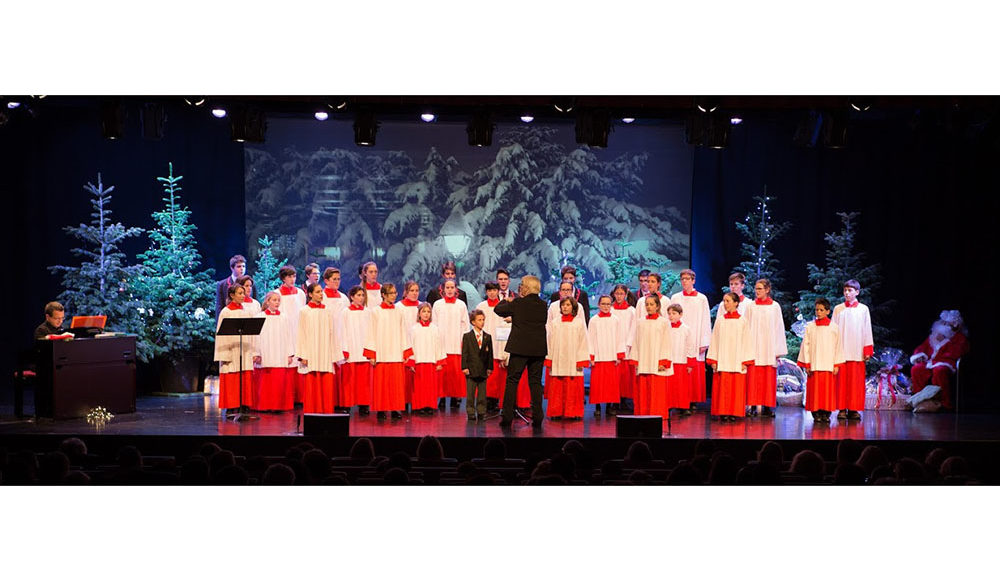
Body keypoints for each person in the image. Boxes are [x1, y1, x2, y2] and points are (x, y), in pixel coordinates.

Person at [494, 275, 548, 428]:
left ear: (526, 287)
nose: (520, 287)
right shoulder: (543, 305)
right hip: (537, 349)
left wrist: (508, 300)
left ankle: (507, 417)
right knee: (535, 382)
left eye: (522, 285)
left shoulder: (518, 303)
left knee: (512, 381)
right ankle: (538, 417)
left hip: (520, 348)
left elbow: (498, 310)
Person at [364, 283, 412, 421]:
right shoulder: (376, 311)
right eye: (391, 293)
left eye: (395, 293)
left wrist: (405, 352)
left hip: (396, 351)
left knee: (396, 384)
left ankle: (396, 408)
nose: (394, 295)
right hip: (381, 352)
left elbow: (403, 331)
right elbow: (371, 332)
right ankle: (381, 409)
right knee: (382, 384)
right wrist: (372, 354)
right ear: (383, 295)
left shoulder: (399, 311)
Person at [909, 310, 970, 412]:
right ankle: (919, 400)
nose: (946, 325)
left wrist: (944, 343)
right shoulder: (934, 336)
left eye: (949, 324)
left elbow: (957, 352)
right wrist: (920, 356)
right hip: (929, 362)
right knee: (917, 369)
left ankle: (943, 403)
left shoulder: (960, 338)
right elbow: (922, 348)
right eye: (944, 323)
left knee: (939, 370)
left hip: (946, 363)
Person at [743, 278, 787, 417]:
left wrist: (778, 349)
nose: (757, 291)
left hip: (769, 346)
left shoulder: (774, 306)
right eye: (756, 288)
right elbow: (745, 327)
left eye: (760, 288)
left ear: (767, 290)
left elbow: (779, 327)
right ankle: (752, 405)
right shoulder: (751, 306)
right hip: (754, 345)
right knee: (753, 377)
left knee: (768, 377)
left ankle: (767, 406)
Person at [797, 298, 845, 423]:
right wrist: (807, 364)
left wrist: (836, 364)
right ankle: (816, 413)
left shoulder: (834, 328)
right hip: (815, 364)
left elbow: (838, 346)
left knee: (827, 391)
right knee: (815, 391)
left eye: (821, 310)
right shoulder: (810, 327)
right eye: (817, 310)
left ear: (828, 311)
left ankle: (826, 413)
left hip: (829, 365)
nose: (818, 312)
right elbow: (806, 346)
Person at [831, 279, 874, 420]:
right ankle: (842, 409)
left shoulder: (863, 309)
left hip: (857, 352)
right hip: (841, 351)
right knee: (841, 382)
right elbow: (833, 331)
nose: (847, 293)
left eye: (850, 290)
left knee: (855, 383)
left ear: (857, 292)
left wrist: (867, 350)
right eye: (845, 290)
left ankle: (853, 409)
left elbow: (867, 330)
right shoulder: (838, 309)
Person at [669, 269, 712, 408]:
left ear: (693, 281)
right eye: (682, 279)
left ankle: (692, 400)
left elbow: (706, 320)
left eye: (687, 279)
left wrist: (704, 341)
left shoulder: (701, 298)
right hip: (678, 338)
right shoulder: (675, 297)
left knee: (692, 368)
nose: (685, 281)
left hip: (696, 338)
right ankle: (677, 400)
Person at [706, 292, 752, 422]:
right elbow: (715, 340)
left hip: (737, 359)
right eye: (724, 301)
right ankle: (723, 411)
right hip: (723, 358)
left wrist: (745, 360)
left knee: (736, 387)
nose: (725, 304)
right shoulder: (720, 320)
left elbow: (747, 341)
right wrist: (713, 359)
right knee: (723, 386)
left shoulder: (742, 321)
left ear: (736, 303)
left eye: (728, 301)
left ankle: (734, 412)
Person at [296, 283, 341, 414]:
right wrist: (303, 355)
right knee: (312, 382)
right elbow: (301, 333)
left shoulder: (327, 311)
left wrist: (334, 354)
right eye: (317, 292)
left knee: (326, 382)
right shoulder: (304, 311)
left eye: (321, 291)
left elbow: (332, 332)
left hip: (325, 351)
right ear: (310, 294)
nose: (321, 294)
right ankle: (312, 413)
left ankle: (326, 412)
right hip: (311, 351)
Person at [215, 284, 257, 414]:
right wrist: (224, 355)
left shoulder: (247, 312)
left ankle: (244, 405)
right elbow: (221, 335)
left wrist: (254, 352)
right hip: (231, 350)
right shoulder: (226, 312)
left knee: (244, 377)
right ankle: (232, 406)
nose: (243, 296)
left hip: (244, 349)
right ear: (232, 295)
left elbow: (252, 334)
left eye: (243, 293)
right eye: (240, 293)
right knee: (232, 377)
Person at [545, 297, 590, 420]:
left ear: (573, 307)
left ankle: (573, 412)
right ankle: (556, 412)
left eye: (568, 305)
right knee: (557, 387)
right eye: (563, 305)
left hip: (573, 359)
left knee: (572, 386)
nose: (565, 307)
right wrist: (549, 358)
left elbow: (583, 341)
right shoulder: (555, 322)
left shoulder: (578, 323)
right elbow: (550, 341)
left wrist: (581, 359)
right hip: (558, 359)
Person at [254, 291, 295, 412]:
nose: (277, 303)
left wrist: (289, 354)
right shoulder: (259, 317)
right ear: (267, 302)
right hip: (266, 353)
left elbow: (288, 336)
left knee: (279, 380)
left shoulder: (284, 317)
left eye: (278, 300)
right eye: (274, 300)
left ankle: (278, 406)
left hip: (280, 353)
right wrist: (257, 353)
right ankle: (265, 405)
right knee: (266, 381)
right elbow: (255, 337)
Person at [632, 295, 673, 418]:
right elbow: (636, 341)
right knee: (643, 390)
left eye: (651, 304)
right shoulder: (640, 322)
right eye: (647, 304)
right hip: (644, 360)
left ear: (657, 306)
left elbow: (667, 342)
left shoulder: (664, 322)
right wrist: (636, 360)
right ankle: (643, 414)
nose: (649, 307)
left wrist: (663, 361)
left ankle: (657, 415)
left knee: (657, 390)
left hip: (657, 362)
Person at [432, 279, 470, 410]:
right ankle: (442, 398)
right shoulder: (437, 305)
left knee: (455, 374)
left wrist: (464, 342)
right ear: (443, 290)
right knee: (442, 374)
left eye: (452, 287)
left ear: (456, 289)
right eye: (447, 287)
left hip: (456, 343)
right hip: (442, 343)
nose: (449, 290)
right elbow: (434, 324)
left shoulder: (461, 305)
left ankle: (455, 398)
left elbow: (465, 324)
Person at [588, 295, 625, 417]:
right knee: (598, 384)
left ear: (611, 305)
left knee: (610, 384)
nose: (605, 306)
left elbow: (620, 337)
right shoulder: (594, 320)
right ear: (599, 305)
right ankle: (598, 407)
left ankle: (609, 406)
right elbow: (590, 339)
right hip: (598, 356)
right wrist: (591, 356)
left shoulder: (615, 320)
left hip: (611, 356)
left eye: (608, 304)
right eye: (603, 304)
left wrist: (619, 355)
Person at [277, 265, 307, 404]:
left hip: (298, 330)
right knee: (288, 364)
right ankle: (287, 398)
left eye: (294, 276)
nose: (292, 279)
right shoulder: (277, 294)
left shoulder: (300, 293)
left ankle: (300, 397)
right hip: (285, 331)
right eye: (289, 276)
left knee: (299, 362)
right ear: (283, 278)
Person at [407, 302, 445, 415]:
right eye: (423, 311)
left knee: (430, 385)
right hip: (418, 361)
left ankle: (430, 405)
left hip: (431, 361)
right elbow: (411, 345)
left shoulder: (435, 329)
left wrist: (439, 362)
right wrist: (411, 362)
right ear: (419, 314)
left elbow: (439, 346)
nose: (426, 314)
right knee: (419, 386)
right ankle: (418, 406)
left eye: (428, 311)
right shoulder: (414, 329)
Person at [341, 286, 373, 416]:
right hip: (352, 348)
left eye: (363, 295)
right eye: (358, 295)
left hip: (364, 350)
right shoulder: (346, 312)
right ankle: (348, 404)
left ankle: (364, 405)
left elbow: (371, 331)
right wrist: (345, 349)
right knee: (350, 380)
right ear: (352, 297)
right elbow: (342, 330)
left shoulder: (367, 312)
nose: (361, 298)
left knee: (364, 381)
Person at [461, 309, 494, 422]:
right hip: (471, 369)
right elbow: (465, 353)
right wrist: (464, 367)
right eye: (479, 320)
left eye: (483, 319)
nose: (482, 322)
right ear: (473, 322)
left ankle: (481, 411)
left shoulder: (487, 337)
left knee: (482, 394)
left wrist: (490, 367)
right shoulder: (467, 336)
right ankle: (470, 412)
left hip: (483, 369)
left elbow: (490, 354)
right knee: (470, 393)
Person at [665, 303, 697, 416]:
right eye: (669, 314)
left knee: (682, 386)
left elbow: (690, 346)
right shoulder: (666, 328)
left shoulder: (686, 329)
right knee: (669, 386)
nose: (671, 316)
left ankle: (683, 406)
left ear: (680, 314)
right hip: (670, 361)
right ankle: (668, 405)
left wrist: (690, 363)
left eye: (674, 313)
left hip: (682, 361)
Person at [610, 283, 638, 411]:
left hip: (627, 346)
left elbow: (634, 328)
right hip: (613, 346)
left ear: (626, 295)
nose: (619, 296)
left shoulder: (631, 311)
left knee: (626, 377)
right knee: (615, 376)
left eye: (621, 294)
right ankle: (615, 401)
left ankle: (627, 400)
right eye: (617, 294)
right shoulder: (610, 310)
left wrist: (629, 343)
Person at [397, 281, 422, 411]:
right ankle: (404, 403)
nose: (414, 293)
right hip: (404, 344)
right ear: (406, 292)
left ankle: (418, 403)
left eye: (416, 290)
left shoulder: (422, 306)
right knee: (405, 378)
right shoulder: (399, 307)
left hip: (419, 345)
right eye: (412, 291)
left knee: (418, 377)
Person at [215, 254, 247, 320]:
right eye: (239, 266)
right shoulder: (222, 285)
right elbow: (219, 307)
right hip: (229, 319)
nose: (242, 269)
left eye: (243, 266)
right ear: (232, 268)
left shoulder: (250, 284)